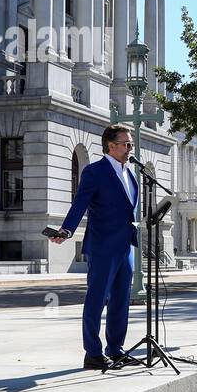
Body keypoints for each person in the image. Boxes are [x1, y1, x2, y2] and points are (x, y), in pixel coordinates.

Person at [50, 124, 139, 370]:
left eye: (130, 144)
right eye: (126, 144)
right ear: (111, 145)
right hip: (102, 247)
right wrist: (66, 230)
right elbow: (80, 203)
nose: (130, 148)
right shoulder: (94, 172)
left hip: (125, 248)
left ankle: (116, 349)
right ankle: (92, 353)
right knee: (97, 299)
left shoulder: (130, 174)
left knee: (121, 300)